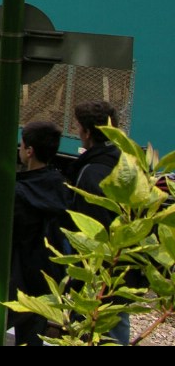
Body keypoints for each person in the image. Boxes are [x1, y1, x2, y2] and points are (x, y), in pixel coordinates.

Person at [0, 121, 70, 346]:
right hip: (45, 283)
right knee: (31, 341)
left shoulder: (20, 196)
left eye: (21, 146)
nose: (18, 150)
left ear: (29, 151)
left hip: (15, 285)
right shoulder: (60, 186)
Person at [67, 100, 130, 345]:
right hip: (121, 263)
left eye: (79, 128)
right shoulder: (121, 161)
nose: (77, 132)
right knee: (117, 321)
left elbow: (86, 224)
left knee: (94, 326)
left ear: (88, 132)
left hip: (98, 267)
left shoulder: (91, 172)